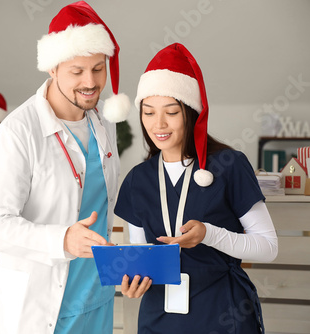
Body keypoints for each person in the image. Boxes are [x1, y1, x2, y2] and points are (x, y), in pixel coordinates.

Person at [0, 1, 131, 333]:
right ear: (52, 68)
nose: (90, 82)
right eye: (77, 71)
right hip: (42, 302)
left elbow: (102, 206)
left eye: (99, 68)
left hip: (97, 293)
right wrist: (63, 240)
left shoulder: (105, 121)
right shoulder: (17, 133)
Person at [115, 43, 278, 333]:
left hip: (222, 311)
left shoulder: (229, 165)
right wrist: (133, 281)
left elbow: (268, 247)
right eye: (148, 112)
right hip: (158, 316)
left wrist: (209, 234)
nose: (159, 124)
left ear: (191, 113)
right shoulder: (137, 180)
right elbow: (141, 257)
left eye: (171, 112)